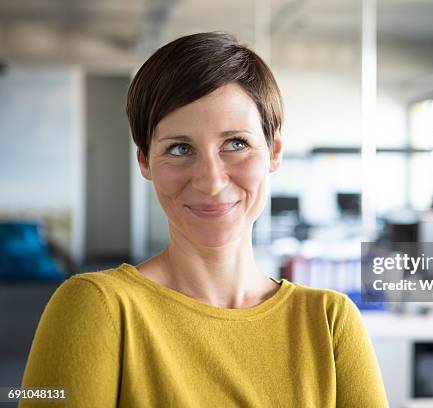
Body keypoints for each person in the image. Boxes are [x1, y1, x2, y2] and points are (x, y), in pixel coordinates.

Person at [19, 32, 388, 407]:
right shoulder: (96, 308)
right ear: (145, 161)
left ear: (274, 151)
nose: (211, 181)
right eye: (180, 149)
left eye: (236, 144)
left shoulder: (329, 323)